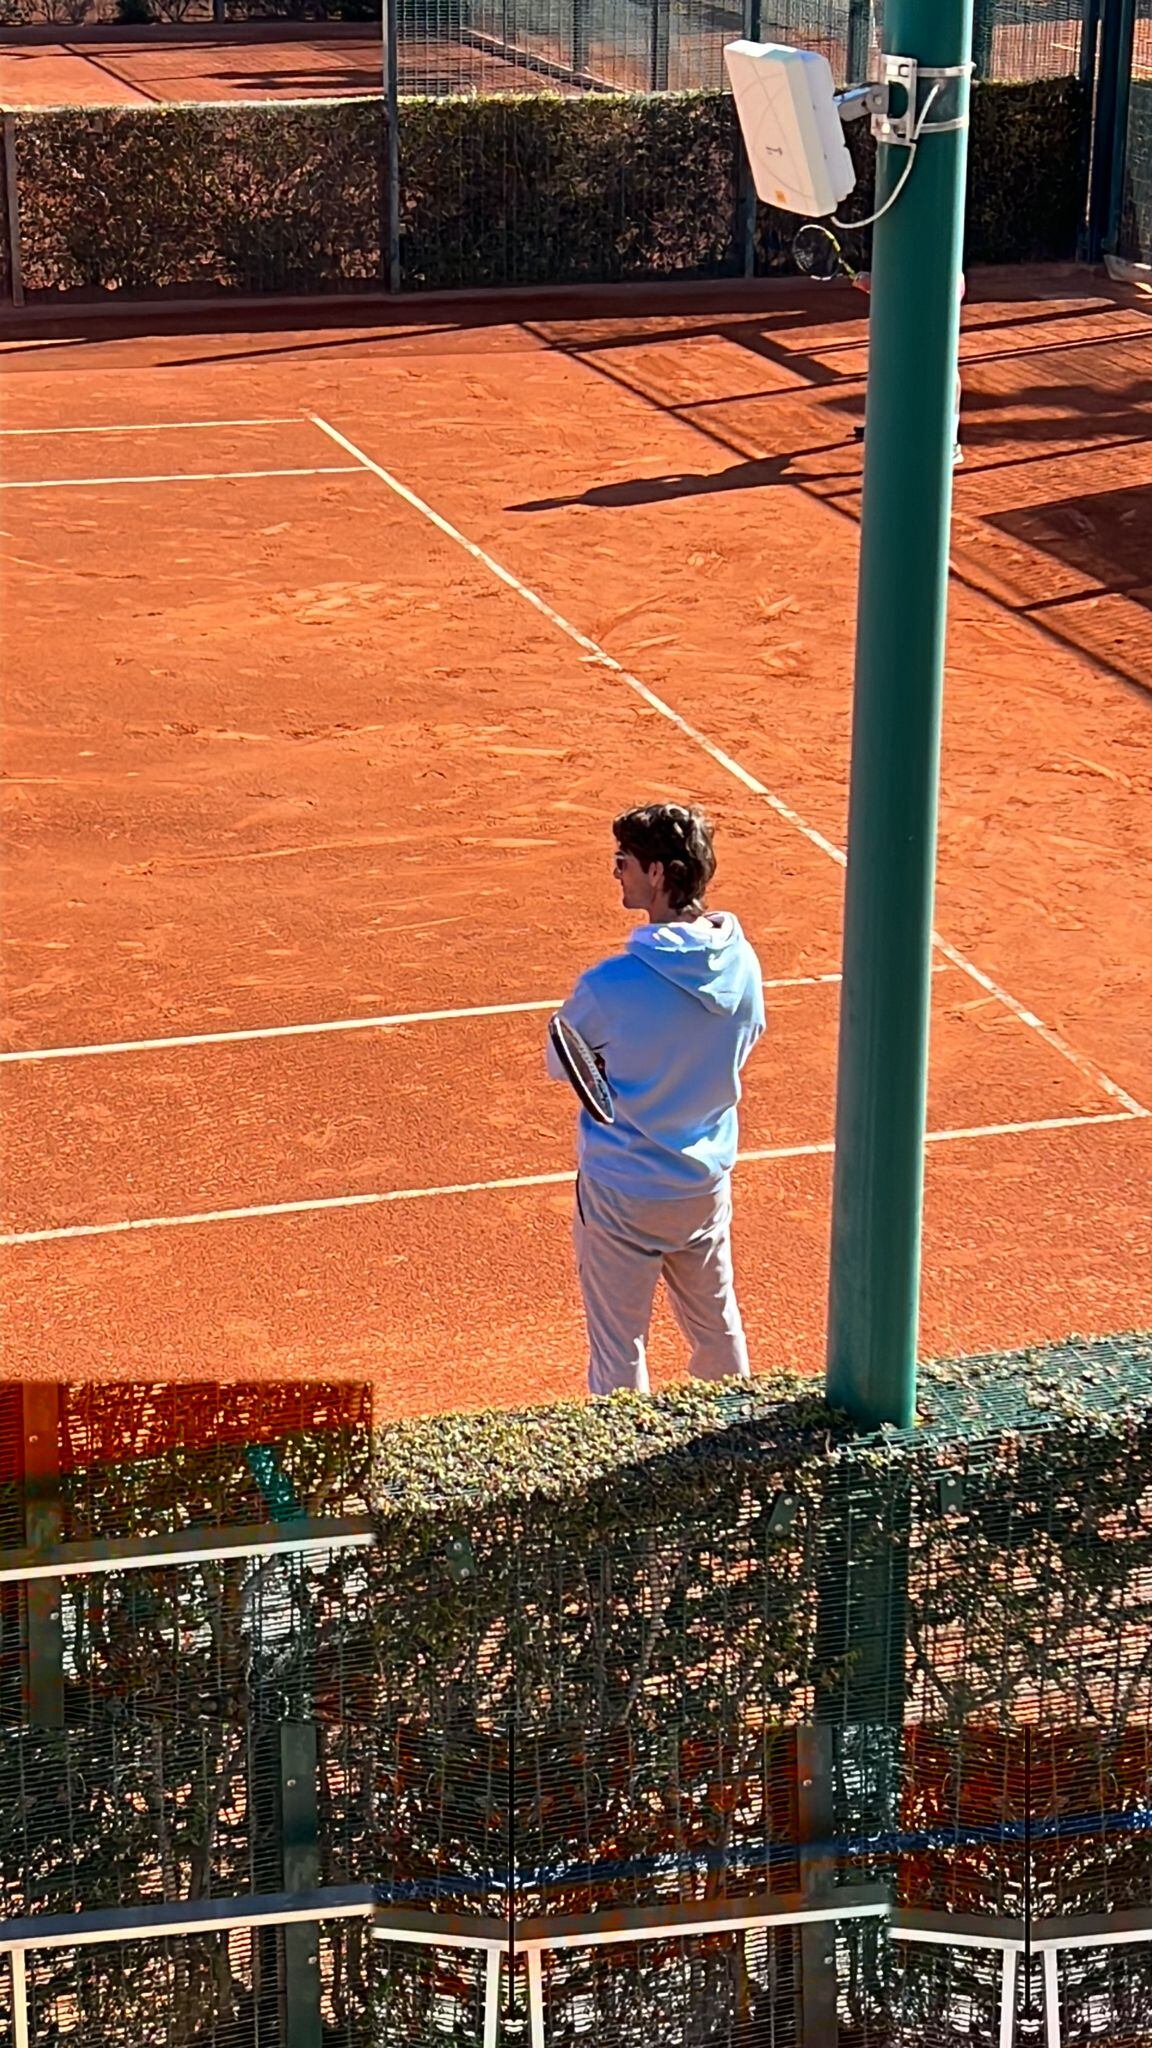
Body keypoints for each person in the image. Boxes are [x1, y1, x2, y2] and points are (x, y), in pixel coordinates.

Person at [547, 803, 765, 1396]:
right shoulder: (743, 964)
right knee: (718, 1334)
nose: (616, 872)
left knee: (618, 1354)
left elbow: (561, 1060)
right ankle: (733, 1453)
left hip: (623, 1192)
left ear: (660, 875)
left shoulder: (609, 986)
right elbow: (748, 1037)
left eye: (624, 863)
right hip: (702, 1187)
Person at [852, 269, 965, 465]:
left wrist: (877, 286)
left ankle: (950, 442)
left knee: (941, 368)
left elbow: (912, 288)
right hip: (926, 297)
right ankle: (883, 426)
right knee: (893, 362)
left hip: (939, 297)